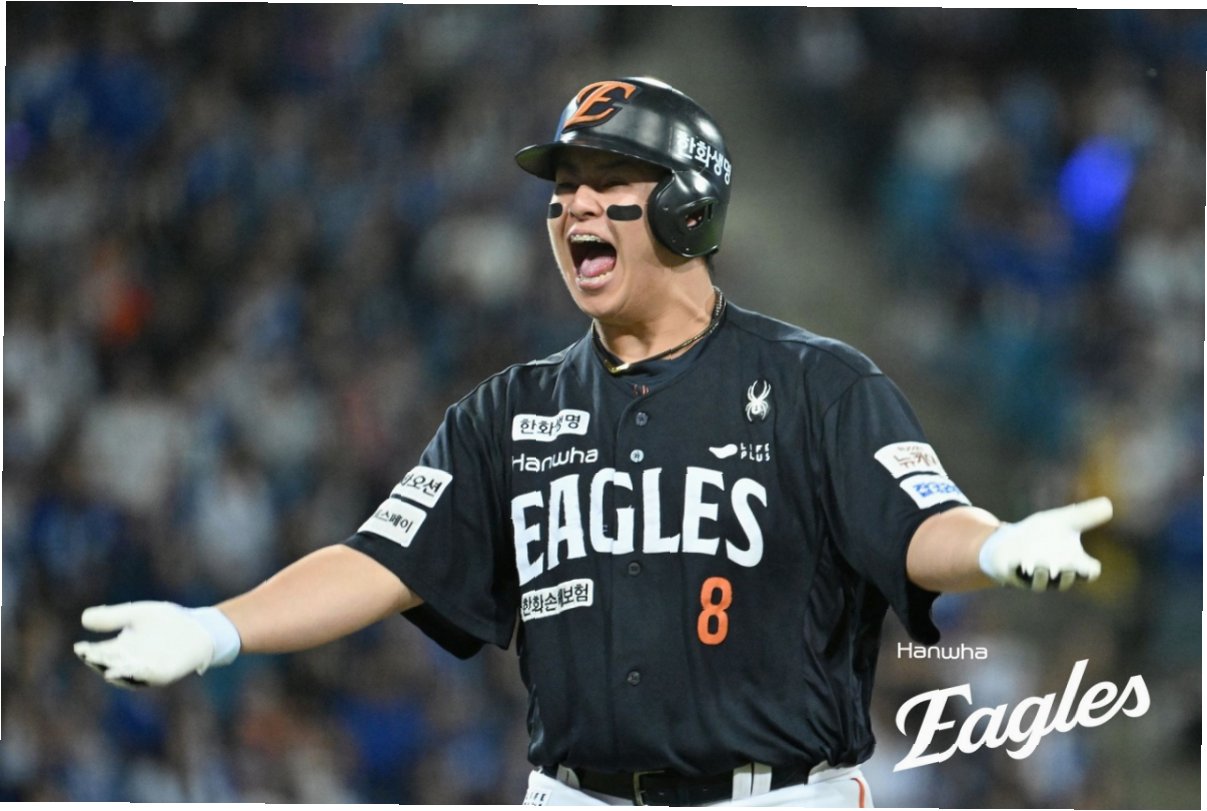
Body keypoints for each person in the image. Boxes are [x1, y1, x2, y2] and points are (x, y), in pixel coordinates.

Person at [75, 77, 1113, 807]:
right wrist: (216, 629)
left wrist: (995, 545)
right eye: (561, 186)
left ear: (687, 208)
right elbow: (380, 559)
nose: (572, 203)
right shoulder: (505, 411)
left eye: (606, 179)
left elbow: (919, 524)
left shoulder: (818, 383)